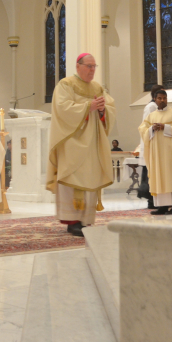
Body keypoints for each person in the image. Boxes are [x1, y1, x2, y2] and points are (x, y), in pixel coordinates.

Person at [47, 53, 116, 236]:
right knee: (72, 180)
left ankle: (86, 220)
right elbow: (62, 109)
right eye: (89, 66)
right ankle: (72, 221)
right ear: (78, 66)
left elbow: (109, 108)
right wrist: (88, 106)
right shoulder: (66, 84)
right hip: (72, 142)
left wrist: (102, 109)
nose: (92, 70)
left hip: (91, 144)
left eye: (94, 66)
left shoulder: (97, 87)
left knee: (90, 179)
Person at [138, 89, 172, 215]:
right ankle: (162, 206)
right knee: (159, 177)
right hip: (157, 155)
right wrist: (152, 128)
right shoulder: (151, 117)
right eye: (160, 98)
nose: (162, 100)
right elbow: (142, 129)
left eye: (164, 98)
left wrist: (166, 127)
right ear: (155, 100)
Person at [136, 85, 164, 209]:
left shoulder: (153, 106)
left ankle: (153, 200)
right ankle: (151, 200)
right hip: (151, 143)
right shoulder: (152, 107)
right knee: (150, 174)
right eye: (160, 97)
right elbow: (150, 124)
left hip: (153, 142)